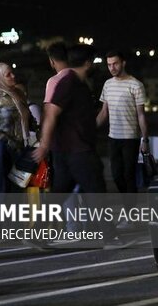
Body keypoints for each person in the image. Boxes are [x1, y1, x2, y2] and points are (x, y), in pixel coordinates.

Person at [33, 45, 131, 248]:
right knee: (96, 190)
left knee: (60, 193)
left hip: (69, 149)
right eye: (94, 61)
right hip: (76, 149)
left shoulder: (78, 82)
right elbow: (51, 113)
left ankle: (36, 233)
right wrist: (44, 144)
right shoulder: (69, 82)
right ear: (87, 62)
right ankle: (108, 235)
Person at [96, 51, 149, 228]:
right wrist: (90, 129)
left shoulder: (136, 85)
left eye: (115, 64)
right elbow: (104, 112)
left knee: (129, 176)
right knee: (117, 176)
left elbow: (141, 115)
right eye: (109, 64)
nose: (112, 67)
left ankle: (130, 217)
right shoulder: (107, 84)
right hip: (113, 138)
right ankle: (129, 212)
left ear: (123, 63)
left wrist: (145, 140)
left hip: (130, 138)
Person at [0, 62, 35, 242]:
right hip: (0, 147)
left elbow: (28, 121)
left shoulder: (19, 94)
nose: (13, 77)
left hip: (20, 147)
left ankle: (14, 230)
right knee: (0, 190)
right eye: (8, 75)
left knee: (17, 189)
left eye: (12, 73)